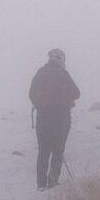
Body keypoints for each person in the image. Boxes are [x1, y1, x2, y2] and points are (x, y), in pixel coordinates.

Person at [29, 49, 80, 190]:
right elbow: (76, 93)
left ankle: (41, 184)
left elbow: (31, 93)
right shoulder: (63, 74)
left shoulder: (40, 73)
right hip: (61, 118)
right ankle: (53, 181)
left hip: (43, 118)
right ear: (61, 59)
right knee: (58, 151)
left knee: (43, 151)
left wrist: (41, 106)